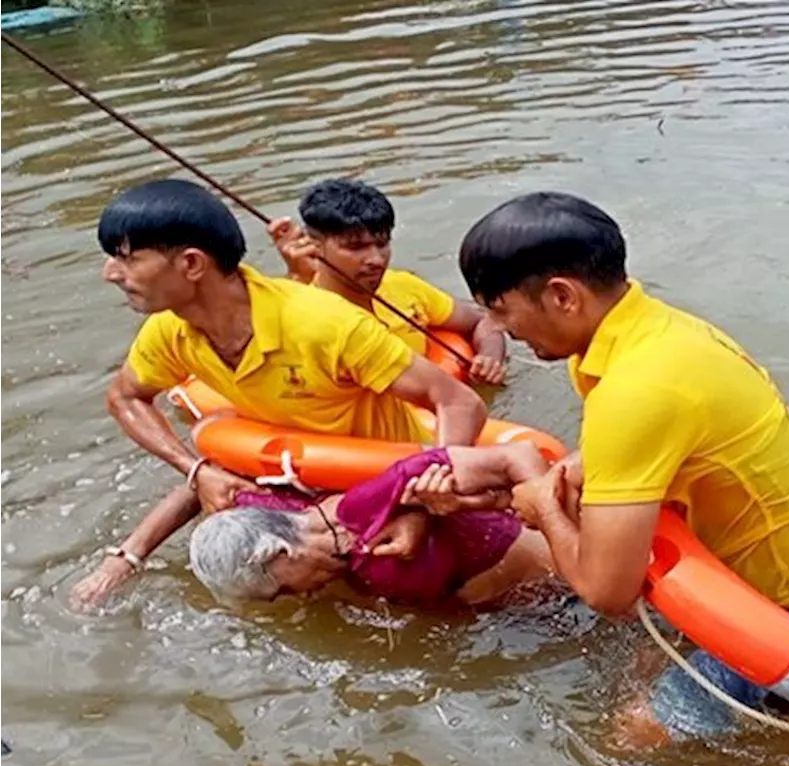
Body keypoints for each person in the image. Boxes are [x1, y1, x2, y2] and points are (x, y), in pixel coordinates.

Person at [454, 192, 789, 747]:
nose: (494, 326)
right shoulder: (663, 332)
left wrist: (539, 507)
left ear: (561, 295)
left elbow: (609, 592)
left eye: (499, 307)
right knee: (643, 669)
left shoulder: (637, 390)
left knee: (629, 741)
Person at [71, 178, 488, 607]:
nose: (110, 273)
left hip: (383, 488)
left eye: (126, 258)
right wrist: (194, 469)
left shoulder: (324, 324)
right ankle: (122, 561)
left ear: (192, 265)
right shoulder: (169, 332)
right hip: (287, 478)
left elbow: (460, 402)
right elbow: (124, 398)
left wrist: (419, 506)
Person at [188, 443, 557, 607]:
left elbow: (518, 456)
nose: (299, 597)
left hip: (543, 576)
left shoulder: (369, 507)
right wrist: (132, 554)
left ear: (282, 552)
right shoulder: (267, 510)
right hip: (486, 613)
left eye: (283, 589)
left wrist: (556, 525)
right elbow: (210, 481)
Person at [268, 179, 507, 384]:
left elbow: (485, 322)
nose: (375, 259)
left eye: (382, 244)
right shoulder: (298, 307)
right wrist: (297, 276)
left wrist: (490, 357)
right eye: (355, 247)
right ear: (315, 246)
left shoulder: (404, 286)